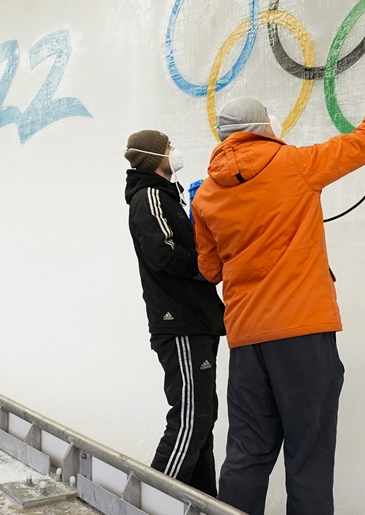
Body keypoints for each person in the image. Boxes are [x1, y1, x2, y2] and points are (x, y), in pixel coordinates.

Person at [191, 71, 365, 514]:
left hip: (248, 339)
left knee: (247, 453)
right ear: (261, 128)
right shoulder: (296, 164)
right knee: (308, 453)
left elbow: (209, 269)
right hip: (303, 332)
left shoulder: (207, 195)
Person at [123, 129, 227, 496]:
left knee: (203, 416)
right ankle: (151, 502)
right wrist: (207, 267)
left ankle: (200, 502)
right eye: (168, 147)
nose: (174, 151)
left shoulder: (167, 194)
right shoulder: (149, 195)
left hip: (195, 319)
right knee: (190, 418)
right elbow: (162, 253)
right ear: (154, 157)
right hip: (177, 320)